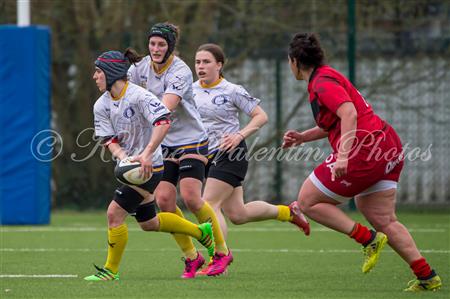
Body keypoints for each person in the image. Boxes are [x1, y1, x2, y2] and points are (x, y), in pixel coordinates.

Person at [283, 33, 442, 292]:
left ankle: (366, 239)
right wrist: (303, 137)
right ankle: (427, 276)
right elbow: (337, 120)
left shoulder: (321, 83)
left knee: (307, 201)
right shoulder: (327, 76)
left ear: (295, 61)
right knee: (382, 217)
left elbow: (348, 113)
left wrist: (343, 156)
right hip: (387, 144)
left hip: (364, 151)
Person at [84, 50, 215, 281]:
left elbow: (163, 121)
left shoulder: (139, 96)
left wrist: (146, 154)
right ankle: (199, 232)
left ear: (112, 73)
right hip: (132, 168)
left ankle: (110, 271)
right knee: (149, 223)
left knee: (114, 214)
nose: (94, 76)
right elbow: (108, 139)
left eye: (98, 71)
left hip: (150, 167)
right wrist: (124, 157)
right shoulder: (101, 105)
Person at [192, 43, 311, 276]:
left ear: (219, 65)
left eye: (206, 62)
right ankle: (289, 213)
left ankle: (219, 259)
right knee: (238, 214)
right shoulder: (190, 90)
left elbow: (261, 116)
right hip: (205, 156)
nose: (201, 66)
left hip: (231, 154)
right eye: (197, 62)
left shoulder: (231, 90)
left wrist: (239, 135)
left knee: (208, 204)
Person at [127, 23, 230, 278]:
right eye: (152, 43)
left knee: (192, 197)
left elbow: (164, 108)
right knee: (164, 201)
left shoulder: (180, 71)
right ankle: (192, 257)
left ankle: (221, 252)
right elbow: (123, 90)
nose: (156, 48)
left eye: (161, 44)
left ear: (170, 46)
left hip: (191, 139)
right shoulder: (139, 68)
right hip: (163, 142)